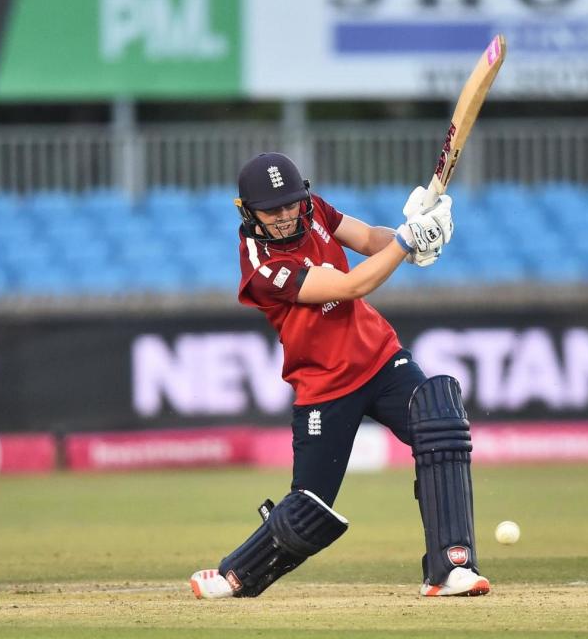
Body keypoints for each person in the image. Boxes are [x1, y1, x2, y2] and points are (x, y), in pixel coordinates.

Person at [190, 152, 489, 598]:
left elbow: (369, 239)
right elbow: (352, 286)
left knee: (441, 422)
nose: (288, 216)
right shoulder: (260, 266)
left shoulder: (314, 211)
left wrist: (416, 235)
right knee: (309, 508)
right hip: (324, 386)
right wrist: (405, 242)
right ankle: (237, 574)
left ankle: (450, 568)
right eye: (274, 211)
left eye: (292, 203)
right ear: (248, 211)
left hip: (380, 359)